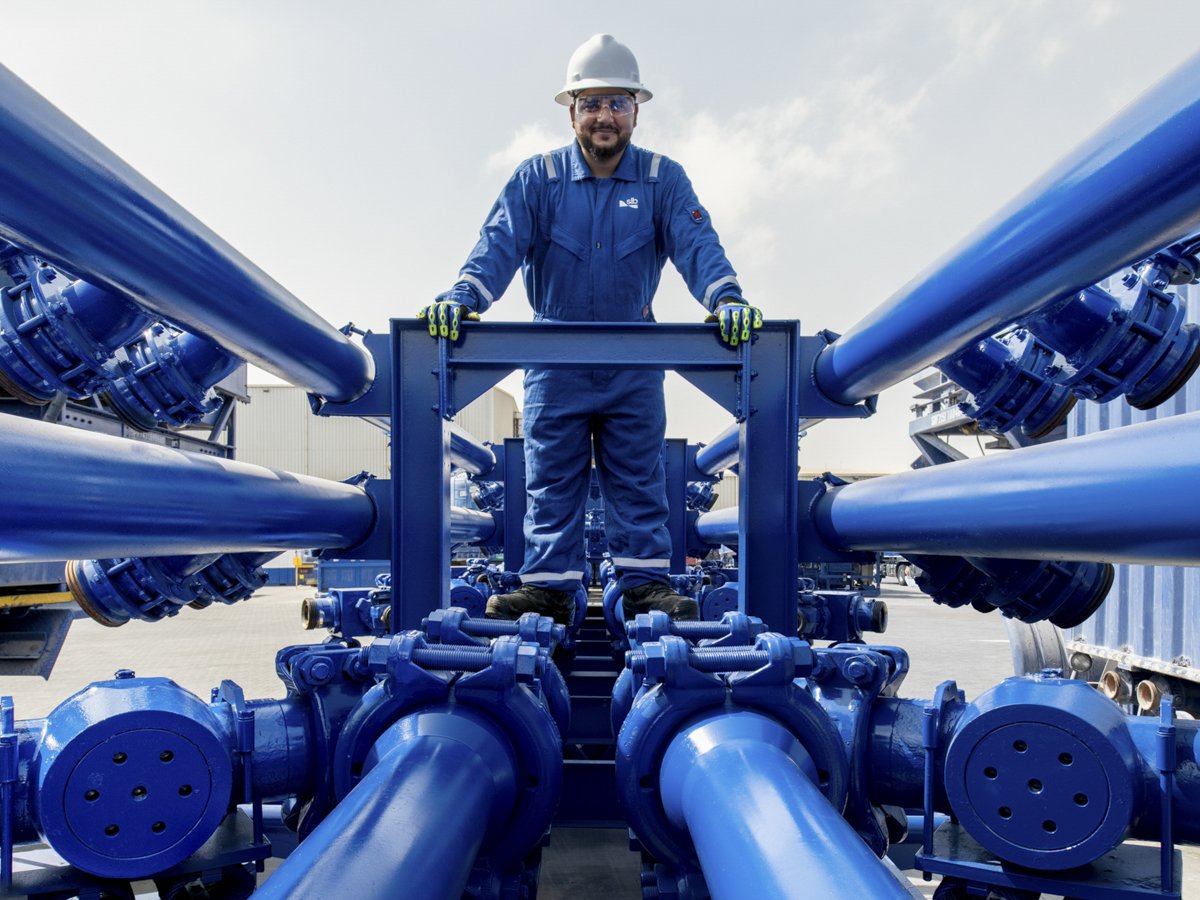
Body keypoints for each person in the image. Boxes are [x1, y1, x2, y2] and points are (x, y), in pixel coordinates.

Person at [420, 33, 762, 626]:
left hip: (634, 360)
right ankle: (549, 589)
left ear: (637, 110)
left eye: (618, 103)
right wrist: (465, 295)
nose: (605, 116)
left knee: (639, 477)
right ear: (571, 110)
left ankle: (644, 587)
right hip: (556, 361)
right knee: (551, 477)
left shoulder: (662, 180)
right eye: (592, 103)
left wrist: (726, 297)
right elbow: (498, 244)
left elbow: (697, 244)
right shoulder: (539, 179)